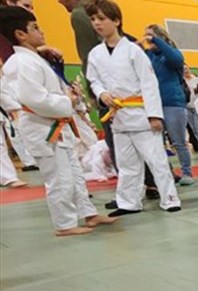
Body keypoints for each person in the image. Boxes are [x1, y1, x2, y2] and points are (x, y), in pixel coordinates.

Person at [0, 6, 117, 233]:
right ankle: (64, 224)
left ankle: (88, 213)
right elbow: (33, 98)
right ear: (20, 34)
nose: (41, 32)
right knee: (60, 178)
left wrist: (68, 98)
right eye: (35, 28)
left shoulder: (33, 59)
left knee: (73, 173)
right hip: (43, 128)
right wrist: (68, 102)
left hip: (56, 126)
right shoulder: (20, 62)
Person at [85, 0, 181, 215]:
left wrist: (155, 115)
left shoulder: (133, 51)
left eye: (101, 18)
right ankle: (128, 202)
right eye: (93, 19)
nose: (96, 23)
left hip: (141, 115)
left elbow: (149, 83)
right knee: (127, 164)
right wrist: (102, 94)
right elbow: (93, 80)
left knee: (156, 160)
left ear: (116, 20)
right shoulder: (95, 54)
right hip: (118, 117)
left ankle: (170, 198)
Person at [143, 24, 193, 185]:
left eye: (150, 35)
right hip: (155, 104)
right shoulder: (148, 55)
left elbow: (176, 59)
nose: (147, 39)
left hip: (173, 103)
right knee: (156, 142)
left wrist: (157, 40)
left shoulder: (171, 53)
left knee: (178, 141)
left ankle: (187, 173)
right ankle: (168, 173)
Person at [182, 64, 198, 153]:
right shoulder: (182, 81)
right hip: (188, 107)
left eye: (186, 68)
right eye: (183, 69)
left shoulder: (197, 80)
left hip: (197, 107)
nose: (185, 71)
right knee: (193, 129)